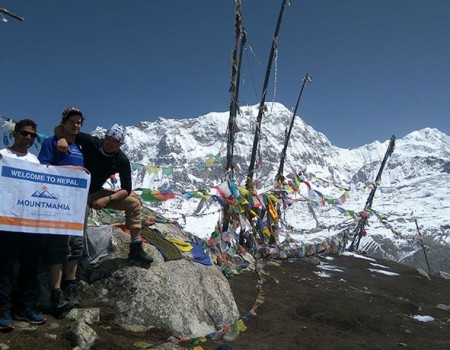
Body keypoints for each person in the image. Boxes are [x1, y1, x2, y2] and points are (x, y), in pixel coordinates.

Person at [56, 123, 153, 266]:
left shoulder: (121, 160)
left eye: (115, 141)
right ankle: (72, 254)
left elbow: (126, 189)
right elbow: (61, 128)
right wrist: (62, 138)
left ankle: (135, 247)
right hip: (75, 190)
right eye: (109, 138)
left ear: (120, 144)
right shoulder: (91, 142)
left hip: (95, 192)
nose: (110, 143)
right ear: (105, 137)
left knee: (133, 203)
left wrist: (107, 199)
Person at [38, 108, 88, 317]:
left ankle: (71, 288)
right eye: (72, 122)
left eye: (79, 122)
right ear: (64, 123)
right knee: (58, 245)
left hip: (77, 201)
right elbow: (43, 168)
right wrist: (72, 170)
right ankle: (56, 293)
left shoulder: (81, 145)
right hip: (57, 201)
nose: (76, 125)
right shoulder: (51, 142)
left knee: (75, 245)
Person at [0, 119, 47, 331]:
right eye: (24, 133)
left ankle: (26, 307)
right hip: (6, 221)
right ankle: (3, 310)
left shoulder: (35, 161)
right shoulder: (2, 156)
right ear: (14, 133)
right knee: (4, 267)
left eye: (32, 135)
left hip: (30, 222)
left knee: (30, 266)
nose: (28, 138)